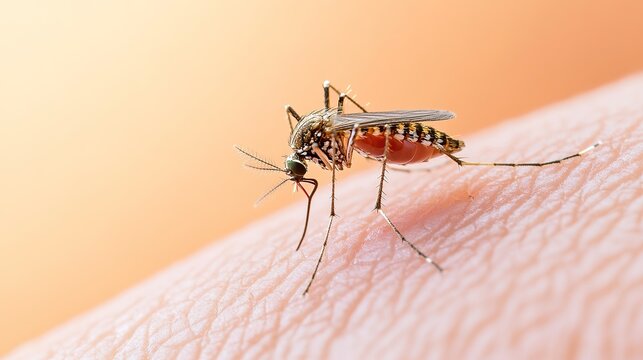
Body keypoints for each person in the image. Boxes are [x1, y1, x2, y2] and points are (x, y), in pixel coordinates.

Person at [6, 75, 642, 359]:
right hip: (363, 134)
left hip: (383, 134)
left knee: (348, 126)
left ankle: (516, 171)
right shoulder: (310, 145)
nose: (305, 179)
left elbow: (331, 143)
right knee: (333, 115)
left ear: (302, 158)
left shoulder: (327, 139)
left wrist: (370, 143)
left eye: (300, 173)